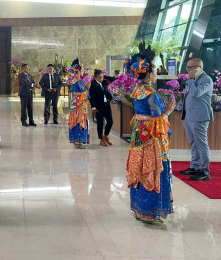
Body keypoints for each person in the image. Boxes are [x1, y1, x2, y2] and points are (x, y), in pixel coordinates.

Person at [125, 43, 175, 224]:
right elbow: (156, 119)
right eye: (154, 71)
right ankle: (150, 212)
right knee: (152, 170)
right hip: (152, 140)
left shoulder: (137, 90)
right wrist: (168, 111)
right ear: (148, 74)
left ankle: (140, 210)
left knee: (140, 169)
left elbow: (140, 113)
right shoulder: (152, 94)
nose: (155, 74)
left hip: (138, 136)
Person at [179, 58, 213, 181]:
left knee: (201, 144)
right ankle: (195, 166)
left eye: (190, 68)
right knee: (193, 143)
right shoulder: (193, 80)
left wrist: (191, 80)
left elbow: (196, 93)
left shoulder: (206, 80)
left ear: (198, 68)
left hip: (199, 117)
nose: (187, 70)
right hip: (189, 116)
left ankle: (204, 171)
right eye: (187, 68)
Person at [68, 59, 90, 149]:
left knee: (75, 119)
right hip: (79, 103)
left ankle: (76, 140)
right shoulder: (79, 81)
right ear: (79, 71)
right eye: (81, 70)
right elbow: (83, 92)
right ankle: (78, 141)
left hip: (75, 102)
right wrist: (88, 88)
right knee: (79, 120)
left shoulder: (74, 80)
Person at [89, 69, 113, 146]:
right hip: (98, 106)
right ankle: (101, 139)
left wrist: (104, 76)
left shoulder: (105, 82)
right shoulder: (92, 84)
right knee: (100, 123)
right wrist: (93, 107)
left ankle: (105, 135)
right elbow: (91, 97)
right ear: (95, 77)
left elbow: (113, 79)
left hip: (106, 105)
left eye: (102, 77)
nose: (101, 79)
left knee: (110, 121)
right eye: (99, 77)